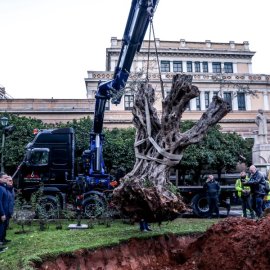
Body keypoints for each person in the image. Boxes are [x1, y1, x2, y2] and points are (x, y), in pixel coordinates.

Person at [3, 175, 15, 243]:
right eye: (9, 181)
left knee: (5, 226)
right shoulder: (4, 189)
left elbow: (12, 200)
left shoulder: (11, 189)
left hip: (9, 211)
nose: (11, 182)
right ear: (6, 181)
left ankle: (3, 238)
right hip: (4, 211)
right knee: (2, 226)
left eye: (12, 180)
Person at [0, 173, 9, 252]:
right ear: (0, 179)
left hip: (4, 212)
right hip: (1, 213)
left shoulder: (4, 187)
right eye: (5, 178)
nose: (7, 179)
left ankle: (2, 242)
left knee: (2, 229)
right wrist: (2, 213)